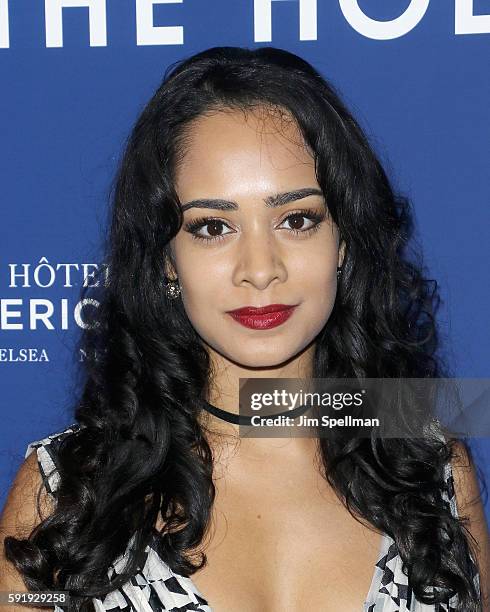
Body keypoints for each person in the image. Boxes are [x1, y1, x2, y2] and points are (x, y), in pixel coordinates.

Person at [0, 46, 488, 612]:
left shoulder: (431, 470)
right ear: (165, 260)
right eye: (212, 226)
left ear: (344, 241)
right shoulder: (65, 493)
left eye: (297, 219)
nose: (260, 269)